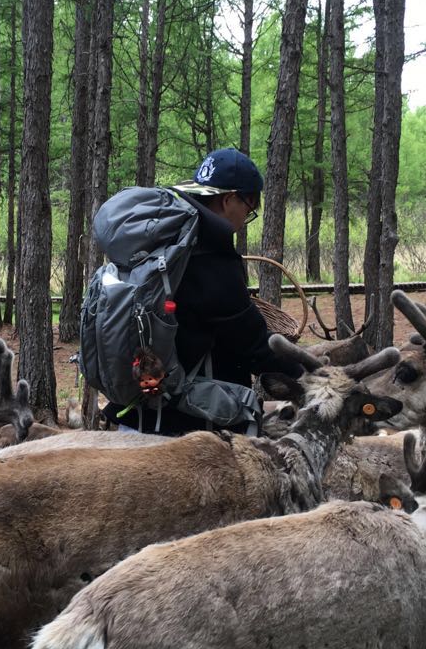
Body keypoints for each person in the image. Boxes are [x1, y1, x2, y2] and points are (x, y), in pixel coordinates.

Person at [105, 147, 305, 434]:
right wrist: (306, 375)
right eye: (248, 210)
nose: (243, 222)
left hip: (139, 413)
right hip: (184, 431)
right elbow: (254, 346)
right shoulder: (211, 258)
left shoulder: (164, 244)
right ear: (229, 199)